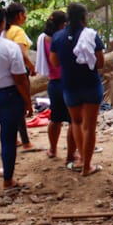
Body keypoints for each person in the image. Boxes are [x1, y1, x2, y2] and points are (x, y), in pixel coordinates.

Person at [49, 2, 104, 177]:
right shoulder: (91, 35)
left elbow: (55, 62)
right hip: (90, 84)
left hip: (69, 85)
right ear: (83, 17)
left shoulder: (57, 37)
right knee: (89, 126)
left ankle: (81, 160)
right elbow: (100, 62)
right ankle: (87, 165)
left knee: (76, 123)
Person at [38, 11, 78, 168]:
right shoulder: (64, 38)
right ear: (63, 24)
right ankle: (70, 155)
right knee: (73, 120)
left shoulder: (43, 39)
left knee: (55, 119)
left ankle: (53, 149)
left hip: (53, 83)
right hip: (68, 82)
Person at [0, 6, 32, 191]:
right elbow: (20, 78)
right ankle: (8, 180)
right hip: (7, 94)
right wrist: (27, 101)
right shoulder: (9, 47)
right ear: (2, 24)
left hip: (7, 94)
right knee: (8, 138)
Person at [5, 3, 37, 153]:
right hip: (18, 72)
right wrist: (31, 66)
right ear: (18, 15)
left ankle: (15, 139)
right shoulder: (17, 30)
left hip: (3, 74)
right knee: (21, 105)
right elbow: (21, 53)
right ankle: (26, 142)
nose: (25, 17)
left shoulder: (4, 30)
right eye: (24, 14)